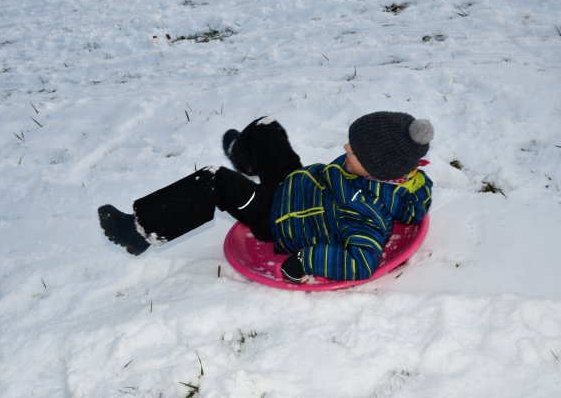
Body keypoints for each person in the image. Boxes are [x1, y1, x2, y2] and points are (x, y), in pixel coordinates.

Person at [98, 111, 434, 283]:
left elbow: (360, 263)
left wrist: (306, 261)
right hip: (295, 186)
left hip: (276, 218)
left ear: (377, 168)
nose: (346, 148)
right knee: (265, 126)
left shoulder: (366, 214)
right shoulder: (381, 172)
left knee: (215, 181)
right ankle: (245, 157)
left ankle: (139, 231)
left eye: (355, 150)